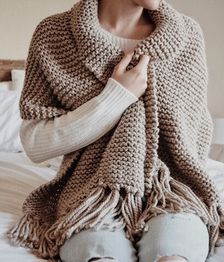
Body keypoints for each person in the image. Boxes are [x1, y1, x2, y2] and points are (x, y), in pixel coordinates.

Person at [16, 0, 211, 262]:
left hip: (172, 191)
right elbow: (34, 142)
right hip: (91, 193)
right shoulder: (54, 34)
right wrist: (117, 97)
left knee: (174, 253)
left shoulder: (187, 34)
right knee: (99, 253)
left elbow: (197, 130)